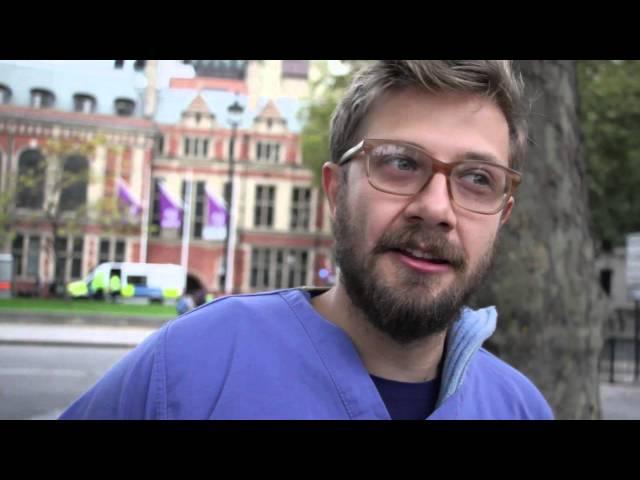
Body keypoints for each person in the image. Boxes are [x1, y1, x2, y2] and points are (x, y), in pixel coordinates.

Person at [60, 61, 553, 420]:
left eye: (478, 178)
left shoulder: (520, 407)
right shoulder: (189, 367)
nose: (437, 208)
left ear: (502, 216)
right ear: (336, 191)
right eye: (401, 162)